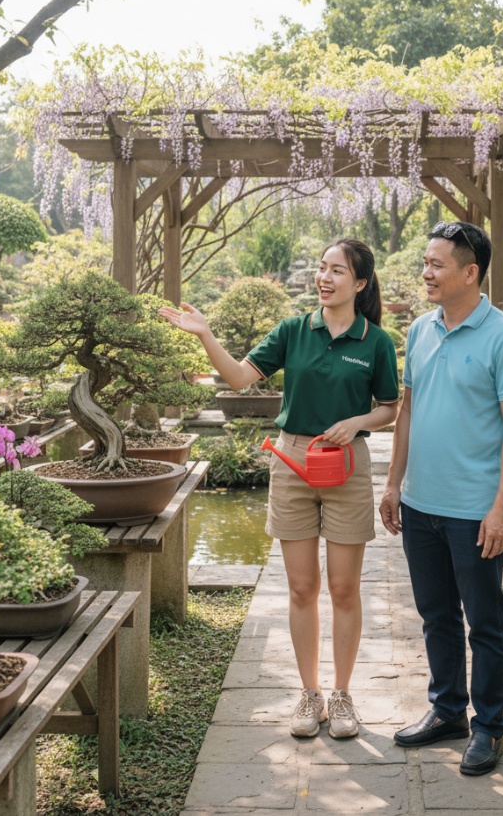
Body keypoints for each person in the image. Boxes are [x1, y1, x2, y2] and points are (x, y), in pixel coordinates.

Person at [160, 239, 399, 740]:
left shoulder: (374, 340)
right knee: (301, 587)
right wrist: (205, 334)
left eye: (337, 271)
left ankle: (342, 695)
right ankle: (309, 695)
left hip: (347, 465)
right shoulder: (293, 330)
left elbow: (388, 408)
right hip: (292, 462)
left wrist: (356, 422)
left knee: (344, 589)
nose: (325, 277)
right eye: (321, 268)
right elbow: (241, 378)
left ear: (359, 283)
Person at [379, 221, 503, 776]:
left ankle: (489, 727)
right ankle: (448, 711)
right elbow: (408, 411)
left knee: (484, 622)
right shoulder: (420, 330)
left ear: (471, 272)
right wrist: (395, 482)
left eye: (437, 264)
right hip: (421, 505)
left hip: (474, 509)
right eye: (425, 262)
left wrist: (502, 508)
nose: (426, 272)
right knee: (435, 615)